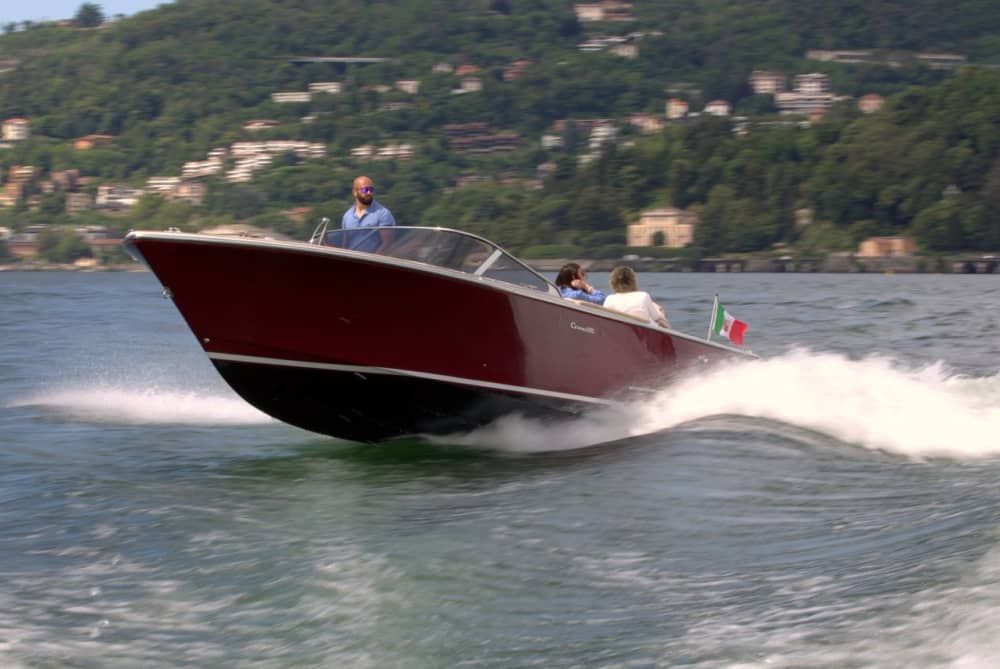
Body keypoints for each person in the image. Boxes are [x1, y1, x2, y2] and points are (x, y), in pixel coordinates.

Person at [340, 175, 396, 253]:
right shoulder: (347, 216)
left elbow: (387, 244)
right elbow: (345, 245)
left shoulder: (383, 213)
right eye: (365, 190)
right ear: (355, 192)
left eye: (371, 189)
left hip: (371, 259)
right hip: (351, 258)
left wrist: (372, 258)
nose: (369, 192)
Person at [603, 265, 670, 328]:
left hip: (619, 329)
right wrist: (660, 313)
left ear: (613, 283)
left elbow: (606, 320)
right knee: (659, 313)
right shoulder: (643, 295)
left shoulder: (609, 299)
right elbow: (656, 318)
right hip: (643, 330)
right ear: (633, 281)